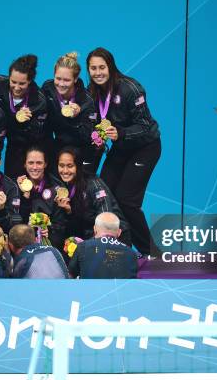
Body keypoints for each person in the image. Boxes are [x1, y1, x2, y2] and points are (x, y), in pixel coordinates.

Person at [86, 47, 161, 256]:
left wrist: (121, 133)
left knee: (127, 200)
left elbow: (147, 126)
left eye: (102, 67)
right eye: (93, 68)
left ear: (110, 67)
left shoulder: (131, 89)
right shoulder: (91, 91)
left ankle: (152, 253)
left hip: (145, 148)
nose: (98, 72)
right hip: (121, 148)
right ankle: (122, 249)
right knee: (105, 194)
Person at [55, 146, 131, 244]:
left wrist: (87, 248)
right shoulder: (66, 185)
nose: (65, 171)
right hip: (90, 236)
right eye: (61, 165)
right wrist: (69, 211)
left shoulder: (94, 185)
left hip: (115, 238)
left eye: (70, 166)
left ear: (78, 166)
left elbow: (106, 221)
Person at [41, 52, 100, 174]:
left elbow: (88, 137)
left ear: (75, 79)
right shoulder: (48, 88)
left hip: (83, 151)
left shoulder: (87, 101)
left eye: (67, 80)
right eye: (58, 78)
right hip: (58, 146)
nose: (61, 84)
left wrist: (75, 119)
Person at [0, 54, 50, 178]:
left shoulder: (39, 101)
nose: (16, 87)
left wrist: (25, 123)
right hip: (12, 146)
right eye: (13, 82)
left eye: (22, 83)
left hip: (31, 148)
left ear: (29, 81)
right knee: (12, 182)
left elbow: (37, 135)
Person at [16, 147, 66, 253]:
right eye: (30, 163)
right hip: (25, 240)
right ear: (25, 164)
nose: (35, 167)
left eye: (39, 163)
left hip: (49, 239)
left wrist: (50, 230)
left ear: (45, 164)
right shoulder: (16, 187)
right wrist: (25, 197)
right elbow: (17, 221)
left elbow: (61, 223)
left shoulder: (57, 187)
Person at [68, 212, 137, 279]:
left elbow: (70, 275)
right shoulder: (131, 253)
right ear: (119, 232)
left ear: (95, 229)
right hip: (120, 290)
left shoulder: (82, 247)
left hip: (90, 290)